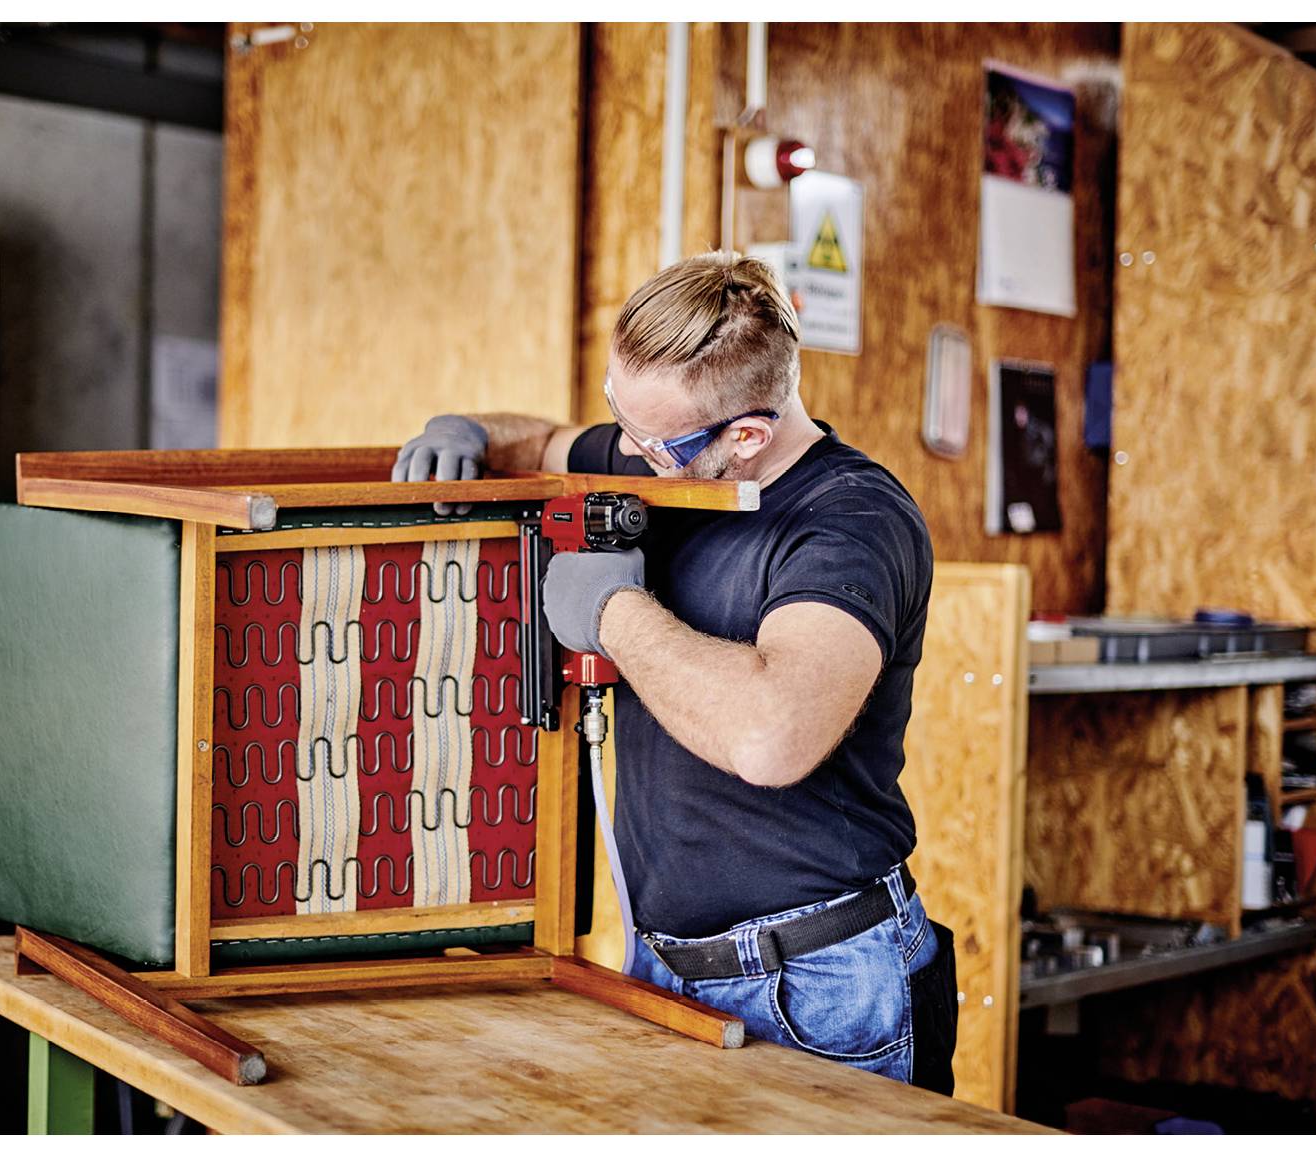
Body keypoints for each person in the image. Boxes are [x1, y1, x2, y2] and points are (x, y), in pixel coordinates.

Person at [392, 250, 956, 1092]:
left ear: (748, 434)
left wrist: (613, 614)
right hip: (661, 967)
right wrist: (463, 431)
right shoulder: (657, 450)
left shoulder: (852, 522)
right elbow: (539, 438)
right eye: (620, 411)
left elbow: (773, 736)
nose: (625, 449)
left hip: (818, 984)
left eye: (653, 440)